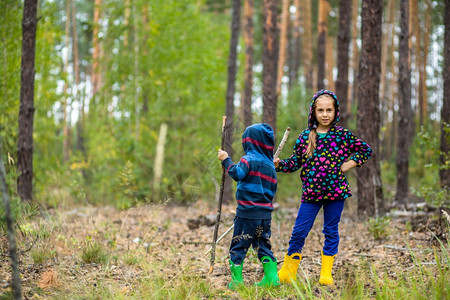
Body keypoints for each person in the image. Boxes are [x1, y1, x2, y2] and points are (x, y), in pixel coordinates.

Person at [274, 90, 372, 285]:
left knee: (330, 230)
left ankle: (326, 273)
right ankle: (288, 271)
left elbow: (365, 149)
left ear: (336, 112)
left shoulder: (342, 135)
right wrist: (279, 165)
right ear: (314, 112)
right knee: (299, 231)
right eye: (321, 110)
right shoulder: (305, 137)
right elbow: (294, 163)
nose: (325, 114)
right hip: (311, 194)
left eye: (329, 110)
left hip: (336, 193)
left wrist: (349, 164)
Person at [218, 123, 280, 290]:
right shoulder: (270, 166)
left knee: (239, 245)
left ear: (249, 142)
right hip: (264, 215)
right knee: (263, 244)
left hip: (247, 215)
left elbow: (237, 174)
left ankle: (237, 282)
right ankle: (272, 277)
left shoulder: (248, 159)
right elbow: (273, 189)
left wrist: (226, 160)